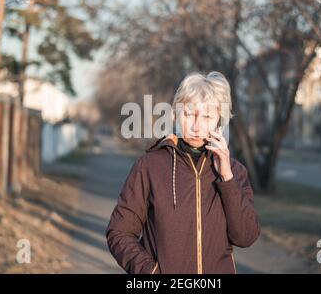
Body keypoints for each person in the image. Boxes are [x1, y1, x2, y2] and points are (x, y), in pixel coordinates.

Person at [106, 71, 260, 274]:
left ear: (219, 121)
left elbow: (246, 236)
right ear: (177, 114)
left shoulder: (234, 172)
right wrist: (149, 272)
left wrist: (227, 178)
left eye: (206, 117)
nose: (197, 126)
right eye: (189, 114)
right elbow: (119, 232)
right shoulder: (150, 166)